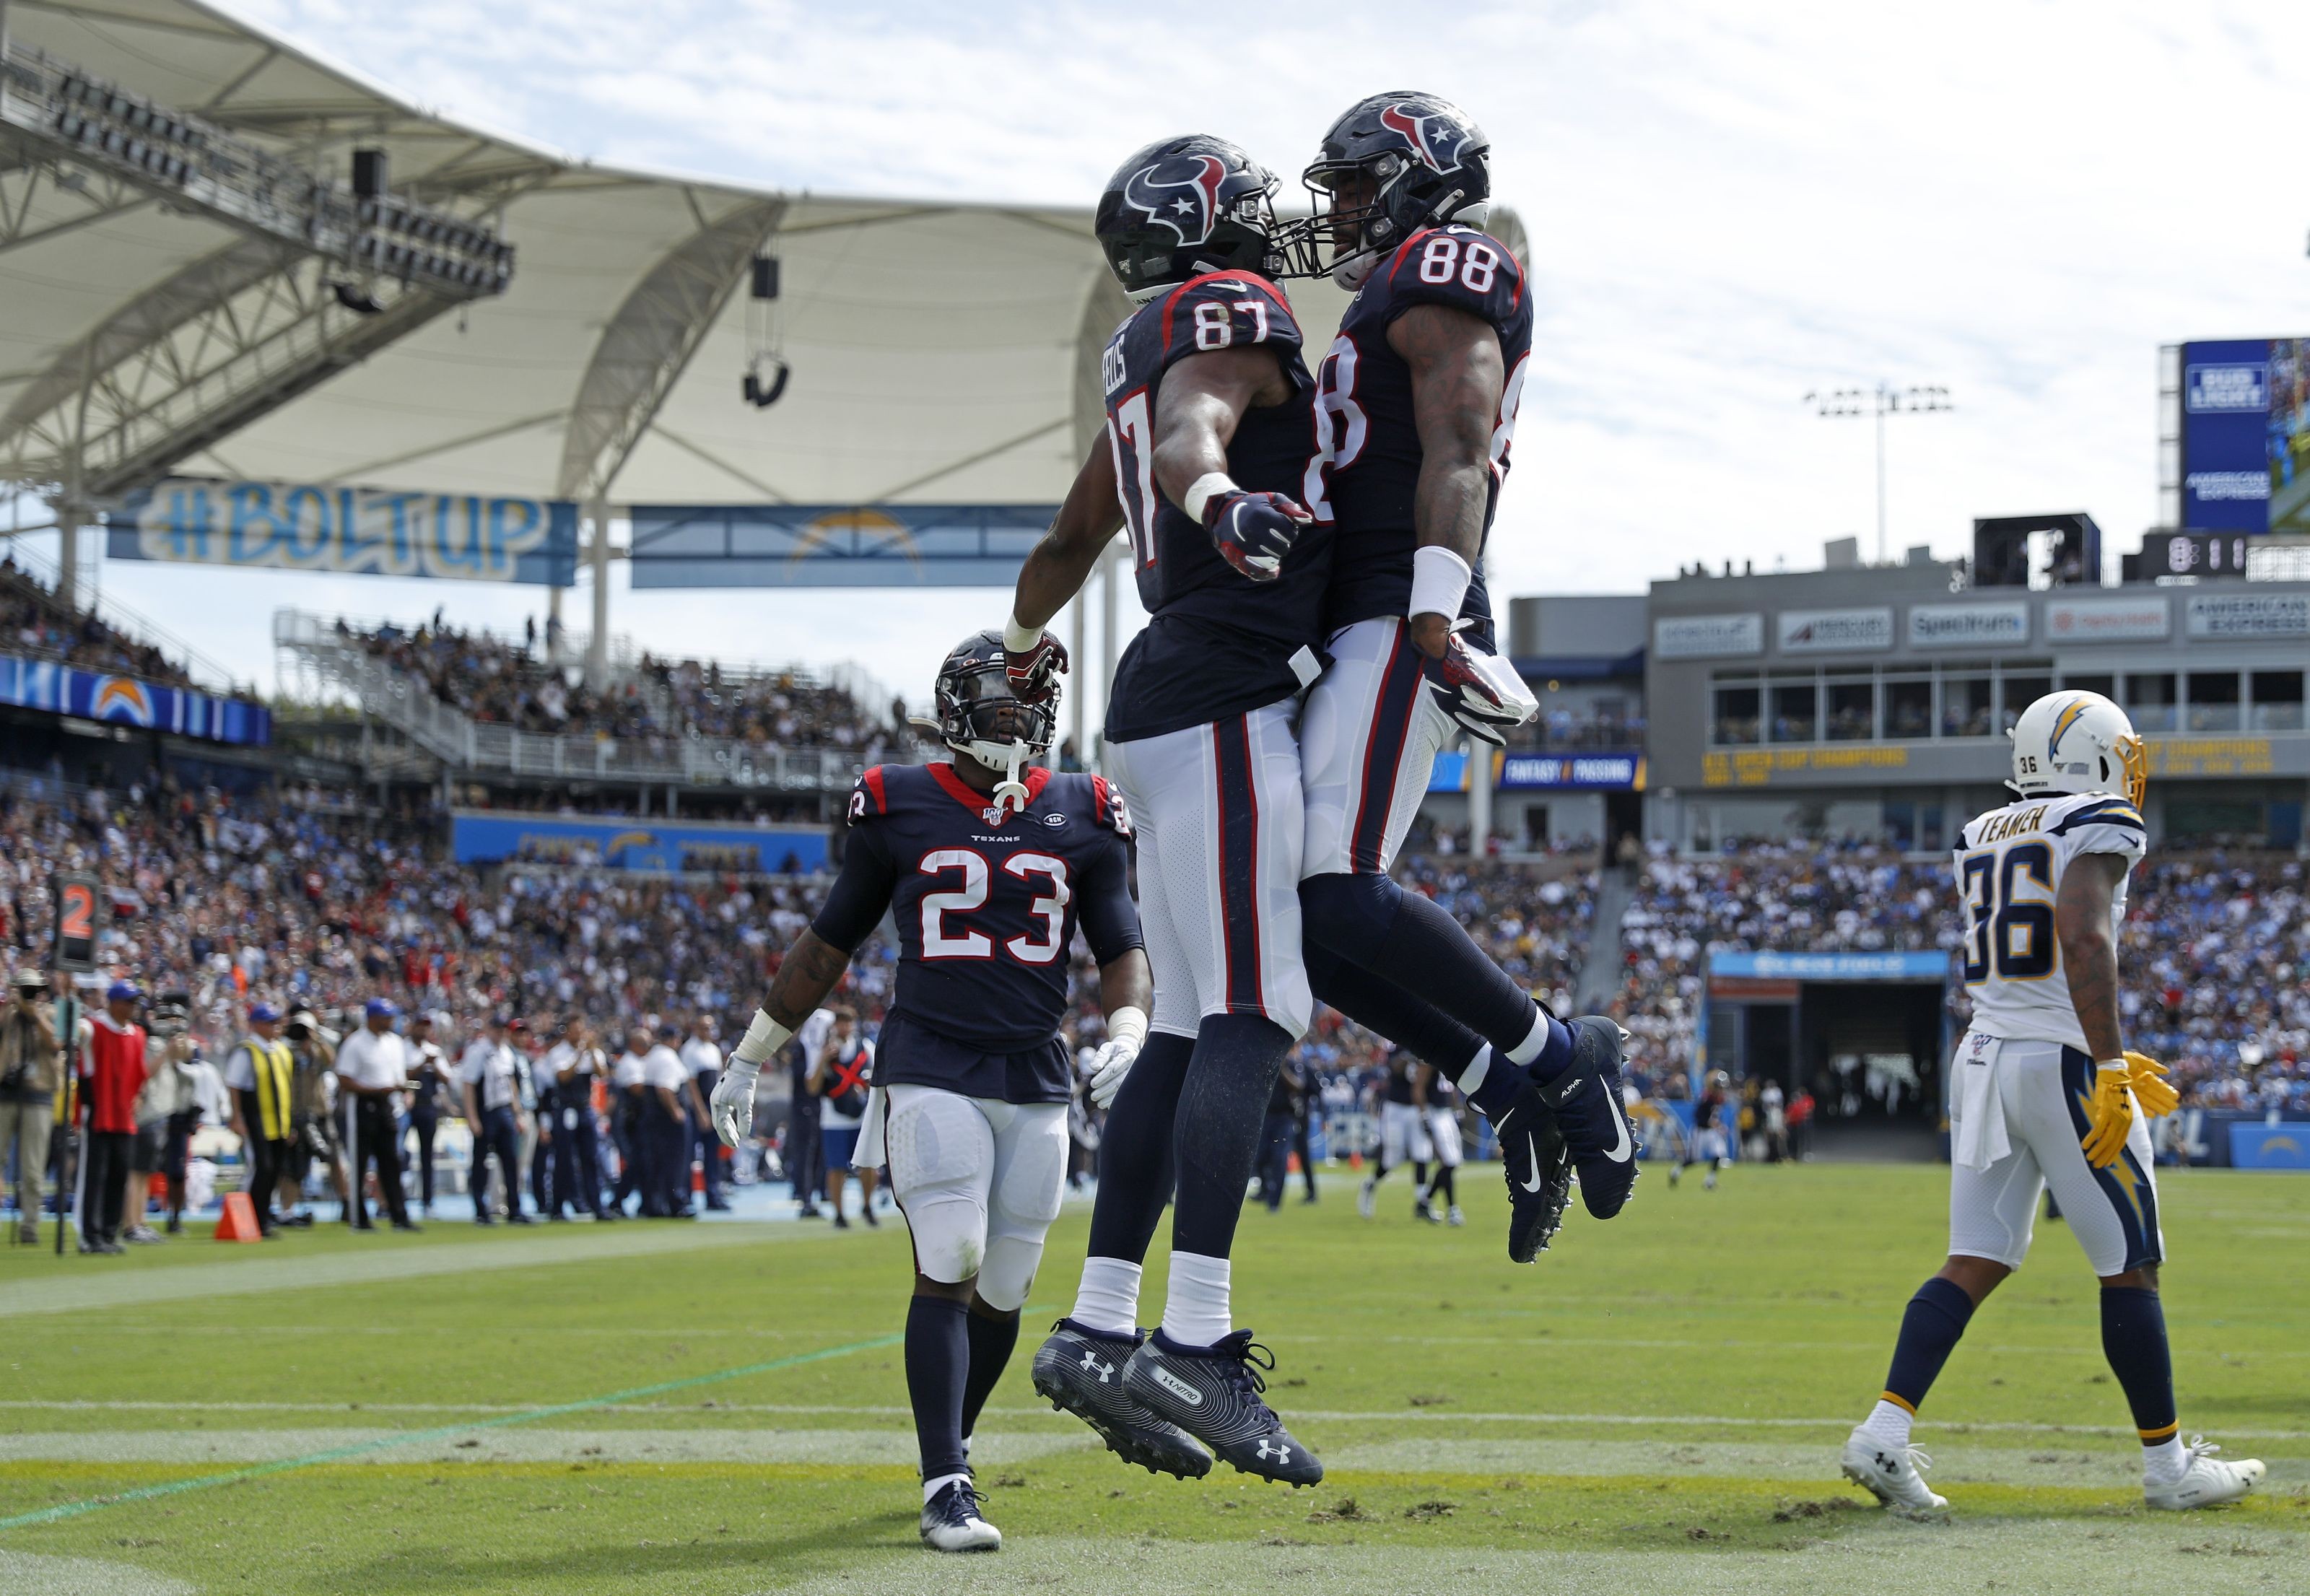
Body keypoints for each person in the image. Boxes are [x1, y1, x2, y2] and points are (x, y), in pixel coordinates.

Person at [710, 629, 1151, 1554]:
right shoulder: (897, 801)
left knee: (1007, 1281)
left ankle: (953, 1447)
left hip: (1033, 1066)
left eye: (1030, 700)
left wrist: (1128, 1028)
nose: (1019, 715)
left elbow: (1119, 945)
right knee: (948, 1252)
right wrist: (752, 1054)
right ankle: (944, 1483)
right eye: (1001, 700)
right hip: (931, 1058)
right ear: (956, 708)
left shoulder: (1085, 806)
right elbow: (828, 943)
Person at [1841, 690, 2263, 1516]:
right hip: (2061, 1064)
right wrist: (2105, 1061)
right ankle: (2167, 1467)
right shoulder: (2095, 816)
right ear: (2094, 752)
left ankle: (1881, 1436)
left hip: (1986, 1055)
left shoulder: (1980, 832)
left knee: (1976, 1254)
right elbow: (2081, 932)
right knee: (2129, 1266)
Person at [77, 981, 149, 1254]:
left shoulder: (137, 1034)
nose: (133, 1007)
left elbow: (139, 1074)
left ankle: (108, 1232)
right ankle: (90, 1235)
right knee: (95, 1176)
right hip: (99, 1110)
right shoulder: (95, 1027)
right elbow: (80, 1031)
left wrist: (139, 1095)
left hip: (124, 1116)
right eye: (129, 1001)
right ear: (114, 1002)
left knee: (118, 1175)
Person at [334, 998, 418, 1232]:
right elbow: (344, 1079)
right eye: (386, 1017)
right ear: (372, 1018)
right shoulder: (355, 1043)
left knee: (391, 1161)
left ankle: (398, 1214)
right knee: (359, 1163)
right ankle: (358, 1217)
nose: (391, 1021)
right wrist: (375, 1090)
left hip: (388, 1104)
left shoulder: (394, 1042)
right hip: (362, 1104)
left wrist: (401, 1090)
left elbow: (398, 1075)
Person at [222, 1003, 297, 1239]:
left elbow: (287, 1089)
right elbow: (234, 1085)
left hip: (280, 1121)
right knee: (262, 1168)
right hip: (256, 1119)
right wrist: (236, 1117)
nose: (275, 1027)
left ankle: (263, 1218)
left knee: (274, 1170)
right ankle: (252, 1218)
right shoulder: (247, 1051)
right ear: (256, 1025)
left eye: (277, 1022)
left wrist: (291, 1123)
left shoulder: (282, 1050)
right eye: (270, 1022)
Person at [1, 969, 61, 1244]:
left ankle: (30, 1228)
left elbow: (55, 1043)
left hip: (38, 1096)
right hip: (6, 1093)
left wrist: (35, 1015)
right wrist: (10, 1008)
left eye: (32, 990)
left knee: (33, 1168)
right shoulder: (8, 1017)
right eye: (24, 989)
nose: (29, 994)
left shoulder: (49, 1014)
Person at [808, 1007, 876, 1229]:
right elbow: (812, 1086)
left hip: (861, 1116)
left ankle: (867, 1205)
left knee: (869, 1165)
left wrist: (867, 1084)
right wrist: (823, 1060)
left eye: (848, 1022)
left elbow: (880, 1075)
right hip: (833, 1118)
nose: (844, 1027)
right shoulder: (825, 1050)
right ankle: (839, 1213)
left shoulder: (865, 1047)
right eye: (840, 1023)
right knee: (836, 1168)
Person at [461, 1012, 531, 1225]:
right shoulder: (478, 1051)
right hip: (485, 1111)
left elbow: (511, 1085)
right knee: (481, 1162)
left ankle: (514, 1208)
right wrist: (472, 1117)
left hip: (504, 1111)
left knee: (511, 1161)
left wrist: (517, 1113)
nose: (500, 1034)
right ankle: (481, 1210)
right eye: (497, 1029)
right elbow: (469, 1086)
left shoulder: (506, 1052)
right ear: (489, 1029)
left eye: (503, 1030)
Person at [282, 1008, 345, 1227]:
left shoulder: (317, 1051)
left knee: (334, 1159)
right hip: (296, 1114)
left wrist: (315, 1038)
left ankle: (347, 1203)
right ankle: (287, 1211)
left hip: (319, 1112)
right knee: (293, 1167)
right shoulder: (287, 1052)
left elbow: (331, 1060)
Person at [1358, 1048, 1430, 1219]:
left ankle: (1423, 1203)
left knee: (1422, 1153)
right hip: (1395, 1109)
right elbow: (1396, 1067)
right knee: (1393, 1157)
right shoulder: (1396, 1050)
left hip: (1416, 1108)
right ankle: (1370, 1185)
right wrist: (1409, 1054)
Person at [545, 1019, 606, 1219]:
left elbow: (602, 1074)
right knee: (563, 1159)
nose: (579, 1034)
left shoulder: (592, 1052)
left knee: (591, 1157)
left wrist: (591, 1051)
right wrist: (580, 1053)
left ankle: (596, 1205)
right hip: (566, 1109)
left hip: (585, 1108)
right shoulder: (558, 1053)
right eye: (575, 1030)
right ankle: (558, 1207)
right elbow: (563, 1077)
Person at [643, 1021, 699, 1218]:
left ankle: (655, 1204)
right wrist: (676, 1111)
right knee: (676, 1162)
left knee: (658, 1161)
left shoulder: (654, 1056)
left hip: (655, 1118)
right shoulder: (667, 1058)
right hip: (668, 1119)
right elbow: (665, 1088)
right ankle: (677, 1203)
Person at [682, 1016, 731, 1211]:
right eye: (704, 1028)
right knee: (690, 1153)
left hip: (713, 1105)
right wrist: (701, 1111)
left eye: (710, 1028)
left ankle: (713, 1195)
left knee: (712, 1154)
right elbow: (691, 1084)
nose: (707, 1032)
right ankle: (686, 1196)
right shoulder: (690, 1050)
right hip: (698, 1107)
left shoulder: (713, 1050)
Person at [1418, 1064, 1465, 1226]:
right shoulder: (1428, 1060)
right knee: (1449, 1162)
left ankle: (1424, 1203)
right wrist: (1424, 1116)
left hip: (1446, 1113)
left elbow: (1451, 1087)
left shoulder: (1447, 1057)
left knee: (1454, 1161)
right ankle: (1453, 1210)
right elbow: (1418, 1088)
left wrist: (1457, 1109)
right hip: (1433, 1112)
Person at [610, 1029, 651, 1216]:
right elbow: (637, 1089)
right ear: (634, 1044)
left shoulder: (640, 1062)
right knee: (634, 1162)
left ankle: (645, 1203)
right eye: (645, 1044)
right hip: (628, 1121)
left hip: (637, 1120)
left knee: (642, 1162)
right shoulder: (629, 1063)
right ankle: (617, 1201)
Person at [1672, 1071, 1731, 1190]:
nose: (1721, 1090)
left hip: (1711, 1132)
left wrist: (1718, 1125)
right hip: (1700, 1131)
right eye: (1720, 1087)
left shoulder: (1719, 1099)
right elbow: (1698, 1117)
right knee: (1695, 1159)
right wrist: (1711, 1123)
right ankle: (1675, 1172)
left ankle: (1709, 1182)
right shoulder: (1706, 1098)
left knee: (1719, 1155)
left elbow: (1715, 1116)